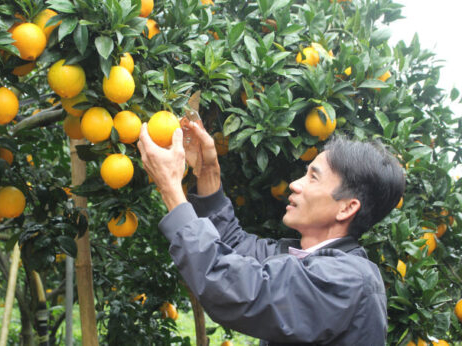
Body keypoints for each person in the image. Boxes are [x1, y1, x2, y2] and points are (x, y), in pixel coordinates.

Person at [137, 120, 405, 345]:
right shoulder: (302, 259)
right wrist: (208, 171)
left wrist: (171, 189)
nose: (294, 184)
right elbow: (232, 245)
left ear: (347, 208)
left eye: (313, 177)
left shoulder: (348, 282)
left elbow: (239, 289)